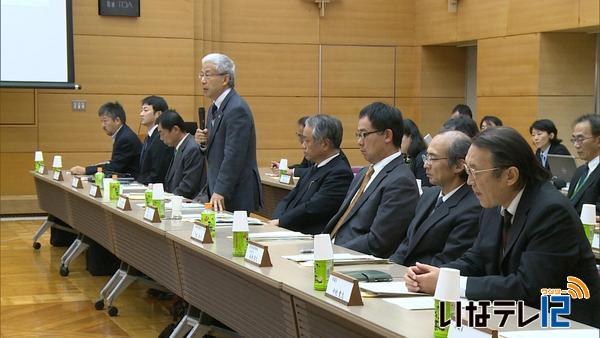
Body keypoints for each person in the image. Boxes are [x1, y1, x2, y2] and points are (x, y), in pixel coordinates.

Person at [404, 127, 600, 328]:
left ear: (510, 175)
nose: (470, 181)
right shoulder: (495, 201)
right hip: (513, 317)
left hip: (562, 323)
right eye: (467, 171)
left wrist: (452, 284)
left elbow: (528, 287)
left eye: (475, 172)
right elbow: (477, 258)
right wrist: (437, 275)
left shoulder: (551, 211)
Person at [323, 102, 419, 258]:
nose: (359, 142)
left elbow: (378, 242)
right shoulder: (364, 173)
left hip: (353, 261)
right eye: (358, 135)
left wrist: (334, 253)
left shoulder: (401, 181)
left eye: (364, 134)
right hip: (332, 252)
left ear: (387, 135)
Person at [389, 131, 480, 266]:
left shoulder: (472, 207)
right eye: (427, 157)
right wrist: (391, 267)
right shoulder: (429, 195)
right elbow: (407, 244)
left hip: (427, 279)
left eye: (433, 158)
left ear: (459, 166)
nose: (426, 164)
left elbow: (447, 260)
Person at [194, 53, 262, 212]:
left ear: (225, 79)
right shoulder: (214, 108)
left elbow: (234, 155)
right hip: (218, 188)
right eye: (201, 74)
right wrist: (203, 143)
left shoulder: (236, 108)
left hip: (235, 191)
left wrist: (221, 190)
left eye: (208, 75)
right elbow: (215, 149)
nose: (203, 80)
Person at [269, 114, 353, 235]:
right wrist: (276, 220)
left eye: (307, 141)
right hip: (290, 230)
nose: (303, 145)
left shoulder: (340, 173)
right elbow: (289, 198)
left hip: (310, 239)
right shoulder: (316, 166)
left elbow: (313, 208)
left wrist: (281, 222)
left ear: (325, 144)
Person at [70, 102, 141, 176]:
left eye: (105, 121)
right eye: (101, 121)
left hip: (133, 180)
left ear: (117, 120)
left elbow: (114, 167)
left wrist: (85, 170)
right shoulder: (122, 133)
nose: (103, 126)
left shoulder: (125, 138)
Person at [158, 110, 205, 199]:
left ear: (175, 129)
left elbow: (188, 186)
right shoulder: (179, 147)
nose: (161, 138)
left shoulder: (192, 148)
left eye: (162, 133)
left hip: (188, 204)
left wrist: (168, 199)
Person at [137, 96, 174, 185]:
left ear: (158, 114)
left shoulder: (160, 138)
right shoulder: (149, 137)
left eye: (145, 110)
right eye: (141, 110)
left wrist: (139, 184)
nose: (141, 114)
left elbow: (157, 173)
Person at [568, 114, 600, 215]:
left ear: (598, 140)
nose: (576, 145)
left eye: (580, 139)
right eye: (574, 139)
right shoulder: (580, 171)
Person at [401, 119, 430, 186]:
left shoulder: (422, 158)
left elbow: (424, 187)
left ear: (410, 137)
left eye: (400, 137)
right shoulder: (406, 156)